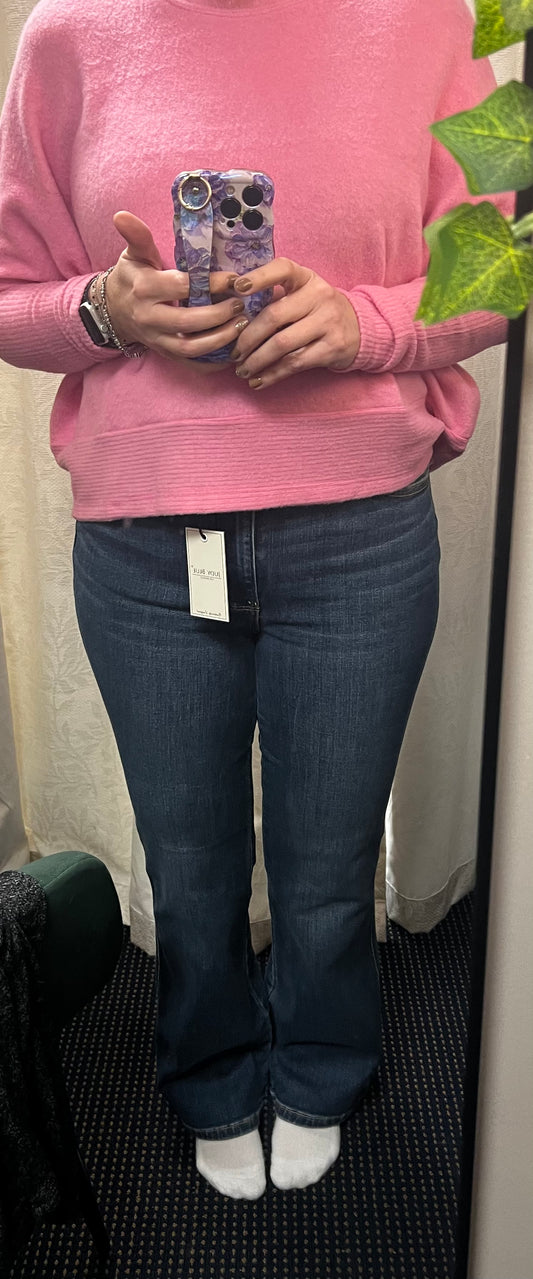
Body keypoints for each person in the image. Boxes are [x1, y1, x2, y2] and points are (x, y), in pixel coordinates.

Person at [0, 0, 513, 1202]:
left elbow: (505, 272)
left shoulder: (426, 20)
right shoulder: (69, 32)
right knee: (187, 863)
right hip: (142, 545)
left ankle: (321, 1068)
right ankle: (211, 1074)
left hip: (357, 537)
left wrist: (365, 324)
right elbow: (11, 293)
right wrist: (102, 309)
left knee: (328, 863)